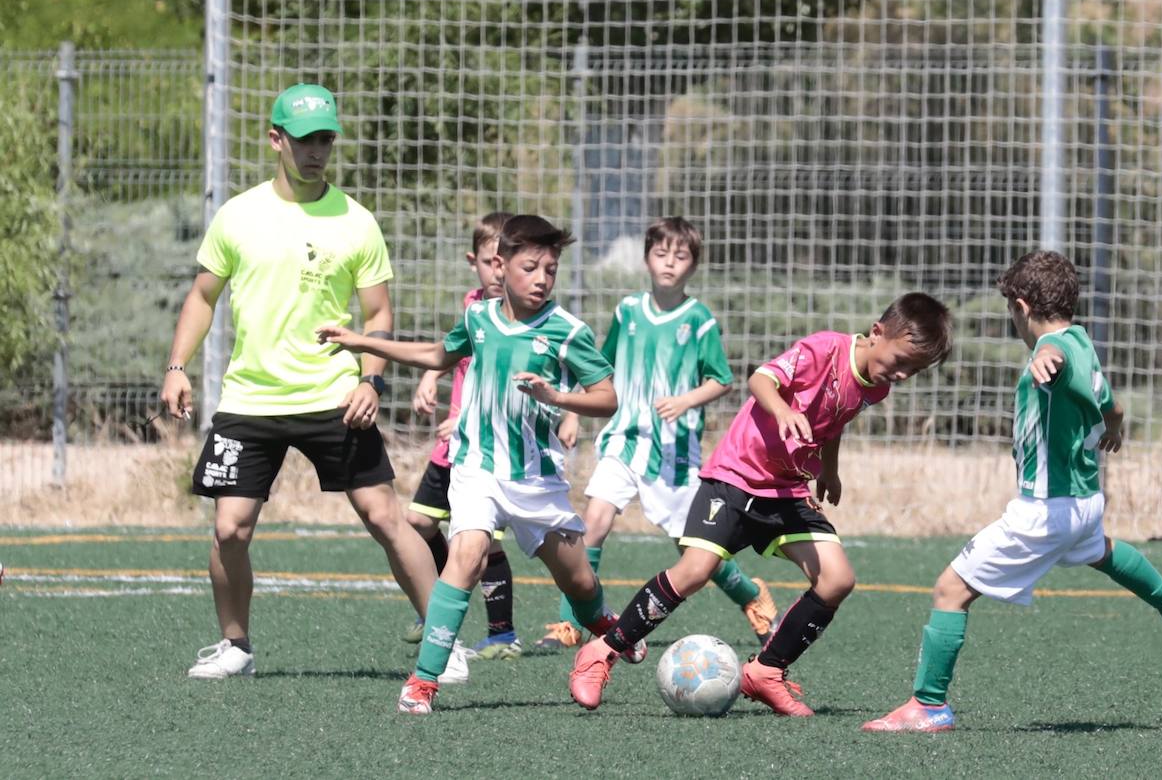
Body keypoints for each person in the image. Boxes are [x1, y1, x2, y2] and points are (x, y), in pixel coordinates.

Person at [861, 251, 1162, 733]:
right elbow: (1113, 401)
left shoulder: (1054, 352)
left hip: (1044, 512)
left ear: (1022, 307)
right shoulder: (1084, 342)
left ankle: (929, 704)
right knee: (1104, 552)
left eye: (1011, 312)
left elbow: (1055, 358)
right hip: (1085, 504)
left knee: (950, 588)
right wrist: (1115, 426)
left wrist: (1046, 355)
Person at [160, 83, 436, 679]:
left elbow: (378, 315)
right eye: (305, 139)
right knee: (229, 529)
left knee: (386, 517)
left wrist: (372, 381)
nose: (316, 151)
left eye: (325, 140)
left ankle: (443, 646)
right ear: (275, 139)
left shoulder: (357, 222)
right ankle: (236, 646)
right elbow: (202, 297)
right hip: (250, 398)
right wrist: (178, 367)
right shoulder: (238, 215)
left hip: (334, 395)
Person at [568, 294, 954, 716]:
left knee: (837, 579)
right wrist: (783, 411)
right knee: (695, 571)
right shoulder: (823, 349)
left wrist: (829, 470)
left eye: (912, 371)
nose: (900, 374)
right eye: (900, 361)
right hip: (735, 478)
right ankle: (602, 651)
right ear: (878, 333)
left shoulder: (876, 386)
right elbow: (760, 380)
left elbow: (835, 419)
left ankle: (766, 672)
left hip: (787, 490)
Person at [317, 215, 643, 715]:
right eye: (530, 267)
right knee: (466, 555)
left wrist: (557, 396)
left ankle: (603, 626)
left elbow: (608, 397)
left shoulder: (566, 330)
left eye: (550, 270)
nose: (541, 279)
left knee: (577, 582)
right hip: (477, 469)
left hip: (536, 479)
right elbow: (434, 354)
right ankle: (423, 681)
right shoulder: (478, 319)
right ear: (500, 264)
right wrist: (364, 343)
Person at [538, 217, 779, 653]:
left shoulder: (699, 319)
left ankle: (750, 595)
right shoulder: (628, 310)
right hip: (622, 441)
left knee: (696, 550)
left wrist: (686, 400)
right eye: (661, 253)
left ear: (693, 265)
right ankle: (571, 622)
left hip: (672, 453)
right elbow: (600, 370)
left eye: (681, 256)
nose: (669, 263)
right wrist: (573, 410)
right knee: (592, 525)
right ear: (647, 257)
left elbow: (721, 379)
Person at [401, 211, 522, 664]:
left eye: (504, 261)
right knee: (418, 524)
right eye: (489, 262)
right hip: (451, 446)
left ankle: (502, 634)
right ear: (475, 261)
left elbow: (512, 384)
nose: (497, 271)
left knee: (484, 541)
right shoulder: (473, 307)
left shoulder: (519, 318)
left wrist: (470, 419)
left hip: (486, 448)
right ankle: (432, 601)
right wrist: (430, 377)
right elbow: (453, 347)